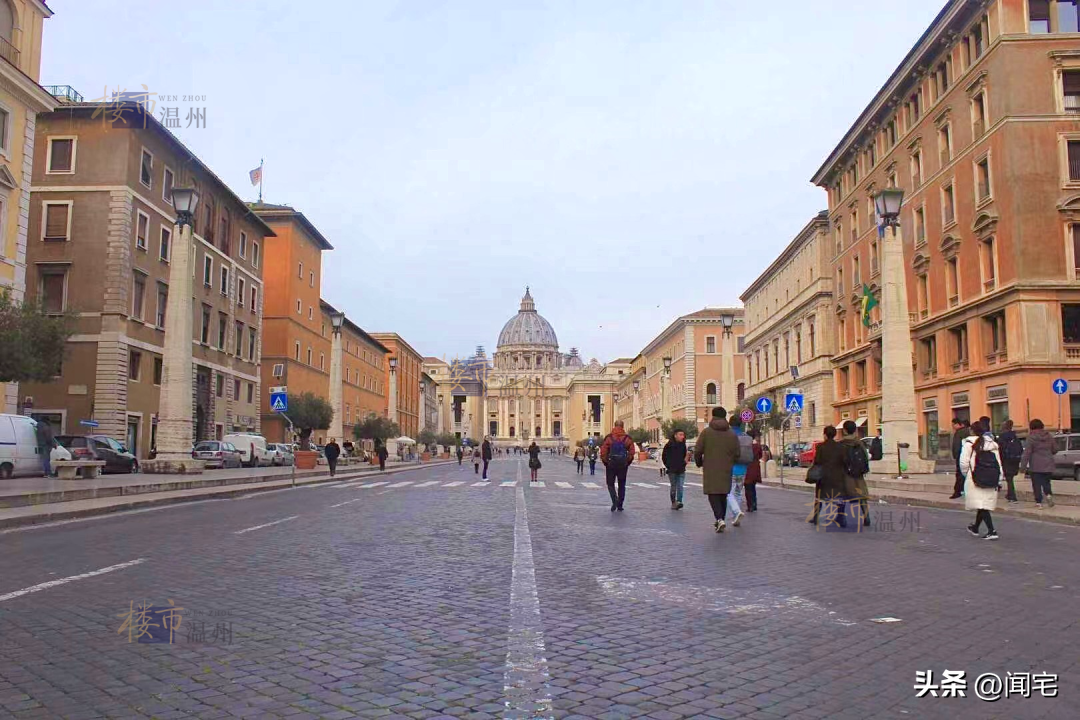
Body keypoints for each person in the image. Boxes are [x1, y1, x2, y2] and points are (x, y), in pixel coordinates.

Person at [694, 407, 740, 533]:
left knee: (713, 494)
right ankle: (721, 519)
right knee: (723, 494)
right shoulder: (732, 434)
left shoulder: (706, 432)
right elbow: (737, 453)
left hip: (710, 467)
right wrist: (731, 462)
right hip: (726, 468)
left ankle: (719, 518)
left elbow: (697, 450)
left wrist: (699, 462)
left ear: (713, 416)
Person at [960, 420, 1002, 540]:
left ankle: (992, 530)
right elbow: (999, 463)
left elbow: (963, 463)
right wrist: (999, 478)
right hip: (991, 477)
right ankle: (975, 527)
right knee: (982, 503)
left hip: (975, 477)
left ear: (971, 431)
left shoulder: (969, 444)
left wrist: (967, 475)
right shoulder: (993, 445)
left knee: (981, 504)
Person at [809, 426, 848, 527]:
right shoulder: (841, 447)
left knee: (819, 498)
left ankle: (816, 517)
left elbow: (817, 462)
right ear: (835, 435)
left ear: (825, 435)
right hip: (837, 477)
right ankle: (841, 518)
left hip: (824, 477)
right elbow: (845, 461)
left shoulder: (820, 447)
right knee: (840, 498)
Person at [841, 420, 872, 527]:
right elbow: (866, 458)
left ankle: (842, 518)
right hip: (858, 475)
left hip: (845, 474)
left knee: (843, 496)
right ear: (855, 430)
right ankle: (866, 516)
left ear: (844, 430)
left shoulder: (842, 444)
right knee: (862, 496)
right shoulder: (860, 443)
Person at [600, 420, 635, 511]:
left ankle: (614, 500)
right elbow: (632, 452)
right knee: (622, 484)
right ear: (623, 426)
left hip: (611, 465)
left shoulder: (609, 438)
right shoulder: (627, 438)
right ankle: (620, 504)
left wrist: (606, 462)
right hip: (623, 465)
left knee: (610, 484)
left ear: (614, 426)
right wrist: (627, 462)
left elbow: (603, 451)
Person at [1021, 419, 1055, 508]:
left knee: (1036, 484)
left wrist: (1023, 467)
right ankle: (1048, 495)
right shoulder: (1049, 436)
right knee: (1047, 482)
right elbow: (1055, 449)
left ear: (1031, 427)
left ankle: (1039, 502)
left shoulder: (1031, 437)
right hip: (1048, 463)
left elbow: (1027, 453)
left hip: (1035, 465)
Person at [726, 416, 750, 526]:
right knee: (738, 492)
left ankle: (736, 512)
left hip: (731, 468)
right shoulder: (746, 436)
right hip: (743, 468)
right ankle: (737, 517)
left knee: (728, 492)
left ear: (730, 424)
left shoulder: (728, 436)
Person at [996, 419, 1022, 505]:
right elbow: (1020, 448)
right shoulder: (1015, 436)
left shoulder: (1002, 437)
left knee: (1009, 479)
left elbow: (1000, 450)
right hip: (1015, 459)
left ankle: (1012, 496)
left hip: (1006, 460)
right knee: (1010, 478)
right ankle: (1010, 494)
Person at [662, 428, 688, 510]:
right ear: (675, 435)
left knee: (680, 486)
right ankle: (673, 503)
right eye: (680, 435)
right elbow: (664, 457)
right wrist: (668, 466)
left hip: (681, 469)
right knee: (673, 486)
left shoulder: (683, 445)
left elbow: (684, 455)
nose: (682, 437)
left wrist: (684, 463)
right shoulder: (669, 445)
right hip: (672, 470)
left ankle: (679, 502)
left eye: (683, 435)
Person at [949, 418, 972, 499]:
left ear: (957, 424)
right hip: (968, 455)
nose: (953, 427)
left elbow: (957, 446)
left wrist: (956, 455)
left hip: (961, 456)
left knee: (959, 473)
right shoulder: (968, 431)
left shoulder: (959, 433)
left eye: (953, 425)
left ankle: (958, 491)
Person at [744, 429, 762, 512]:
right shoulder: (757, 446)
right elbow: (760, 455)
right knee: (753, 487)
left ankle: (750, 505)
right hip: (756, 468)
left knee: (748, 488)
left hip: (748, 468)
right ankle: (754, 504)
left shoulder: (747, 446)